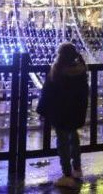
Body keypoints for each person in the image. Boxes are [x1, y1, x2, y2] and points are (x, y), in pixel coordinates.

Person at [38, 42, 90, 189]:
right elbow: (85, 93)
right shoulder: (81, 71)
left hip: (60, 112)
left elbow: (47, 93)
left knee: (62, 142)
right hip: (75, 111)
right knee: (73, 137)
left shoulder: (56, 71)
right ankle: (77, 168)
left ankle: (67, 174)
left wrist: (42, 111)